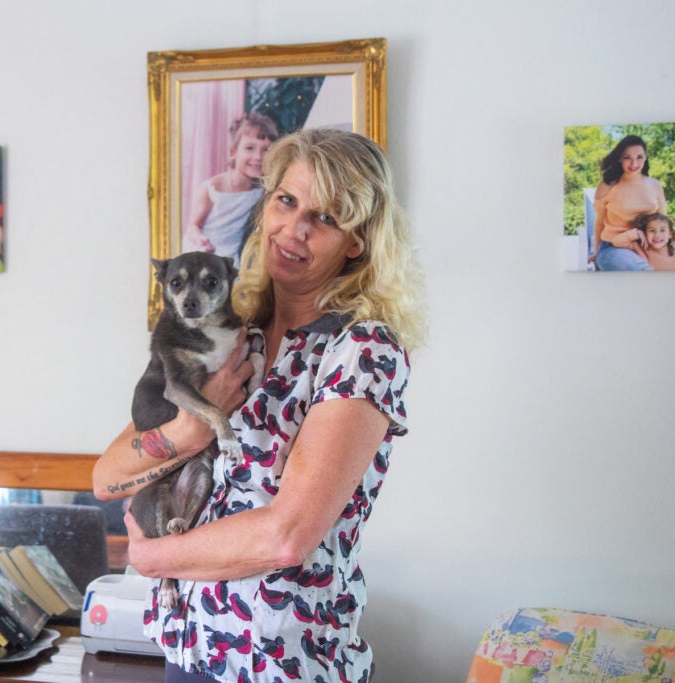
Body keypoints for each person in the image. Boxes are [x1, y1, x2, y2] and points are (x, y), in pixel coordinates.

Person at [95, 128, 427, 682]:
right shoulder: (233, 332)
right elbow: (107, 479)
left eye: (325, 218)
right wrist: (191, 431)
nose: (293, 230)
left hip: (282, 660)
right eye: (287, 200)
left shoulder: (362, 349)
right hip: (189, 647)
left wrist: (153, 558)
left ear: (358, 241)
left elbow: (287, 534)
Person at [182, 112, 279, 266]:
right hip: (203, 255)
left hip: (233, 260)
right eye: (249, 148)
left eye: (265, 149)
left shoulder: (264, 191)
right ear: (233, 152)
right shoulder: (213, 188)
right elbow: (193, 226)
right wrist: (200, 240)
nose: (258, 157)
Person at [591, 134, 666, 271]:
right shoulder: (607, 185)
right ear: (619, 158)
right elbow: (599, 221)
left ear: (646, 156)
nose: (634, 164)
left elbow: (663, 222)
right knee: (642, 271)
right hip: (613, 248)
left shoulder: (655, 185)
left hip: (647, 246)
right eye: (627, 158)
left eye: (639, 157)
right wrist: (596, 252)